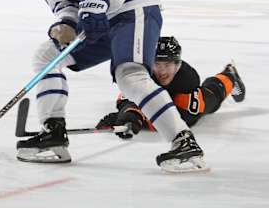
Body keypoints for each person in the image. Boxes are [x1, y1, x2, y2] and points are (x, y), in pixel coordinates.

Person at [16, 0, 208, 173]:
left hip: (134, 5)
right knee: (47, 57)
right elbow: (63, 2)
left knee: (129, 74)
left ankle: (184, 144)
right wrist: (67, 24)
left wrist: (100, 4)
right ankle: (54, 135)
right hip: (98, 15)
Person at [96, 36, 246, 137]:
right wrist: (129, 113)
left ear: (177, 65)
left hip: (182, 97)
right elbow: (127, 96)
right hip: (165, 96)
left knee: (211, 98)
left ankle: (230, 75)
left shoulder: (187, 79)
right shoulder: (145, 73)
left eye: (167, 64)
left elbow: (182, 120)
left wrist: (140, 118)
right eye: (157, 64)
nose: (161, 70)